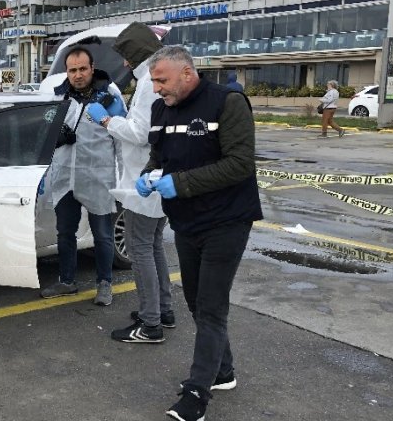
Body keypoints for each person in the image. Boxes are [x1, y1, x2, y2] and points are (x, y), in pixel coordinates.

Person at [137, 45, 263, 421]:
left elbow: (240, 164)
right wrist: (149, 175)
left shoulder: (227, 103)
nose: (156, 88)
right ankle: (223, 371)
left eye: (162, 80)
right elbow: (159, 158)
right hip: (186, 222)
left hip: (226, 221)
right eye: (154, 81)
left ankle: (196, 394)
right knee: (194, 299)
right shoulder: (161, 110)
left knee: (210, 306)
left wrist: (182, 183)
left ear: (187, 74)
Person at [100, 22, 175, 344]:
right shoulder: (156, 79)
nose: (125, 64)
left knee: (141, 250)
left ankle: (150, 323)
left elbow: (141, 134)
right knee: (154, 245)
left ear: (138, 53)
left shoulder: (147, 82)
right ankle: (164, 309)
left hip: (141, 180)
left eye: (127, 57)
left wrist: (108, 120)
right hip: (155, 179)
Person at [40, 45, 127, 306]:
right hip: (65, 177)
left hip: (98, 176)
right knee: (65, 232)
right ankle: (67, 281)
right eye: (72, 70)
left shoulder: (110, 97)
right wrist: (56, 136)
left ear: (92, 68)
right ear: (66, 72)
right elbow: (43, 131)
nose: (77, 75)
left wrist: (124, 177)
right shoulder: (58, 97)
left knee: (102, 234)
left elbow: (122, 137)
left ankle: (105, 283)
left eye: (82, 69)